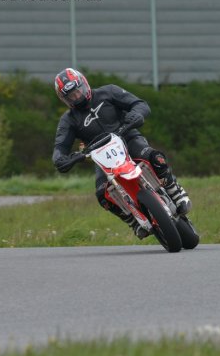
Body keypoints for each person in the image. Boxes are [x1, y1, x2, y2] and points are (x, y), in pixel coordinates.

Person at [52, 68, 191, 239]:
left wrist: (136, 114)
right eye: (71, 96)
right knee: (102, 194)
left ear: (84, 83)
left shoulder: (109, 92)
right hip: (102, 157)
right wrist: (60, 159)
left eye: (78, 90)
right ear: (64, 99)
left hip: (128, 138)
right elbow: (60, 147)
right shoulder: (68, 120)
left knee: (155, 157)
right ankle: (133, 221)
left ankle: (175, 191)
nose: (77, 96)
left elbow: (140, 104)